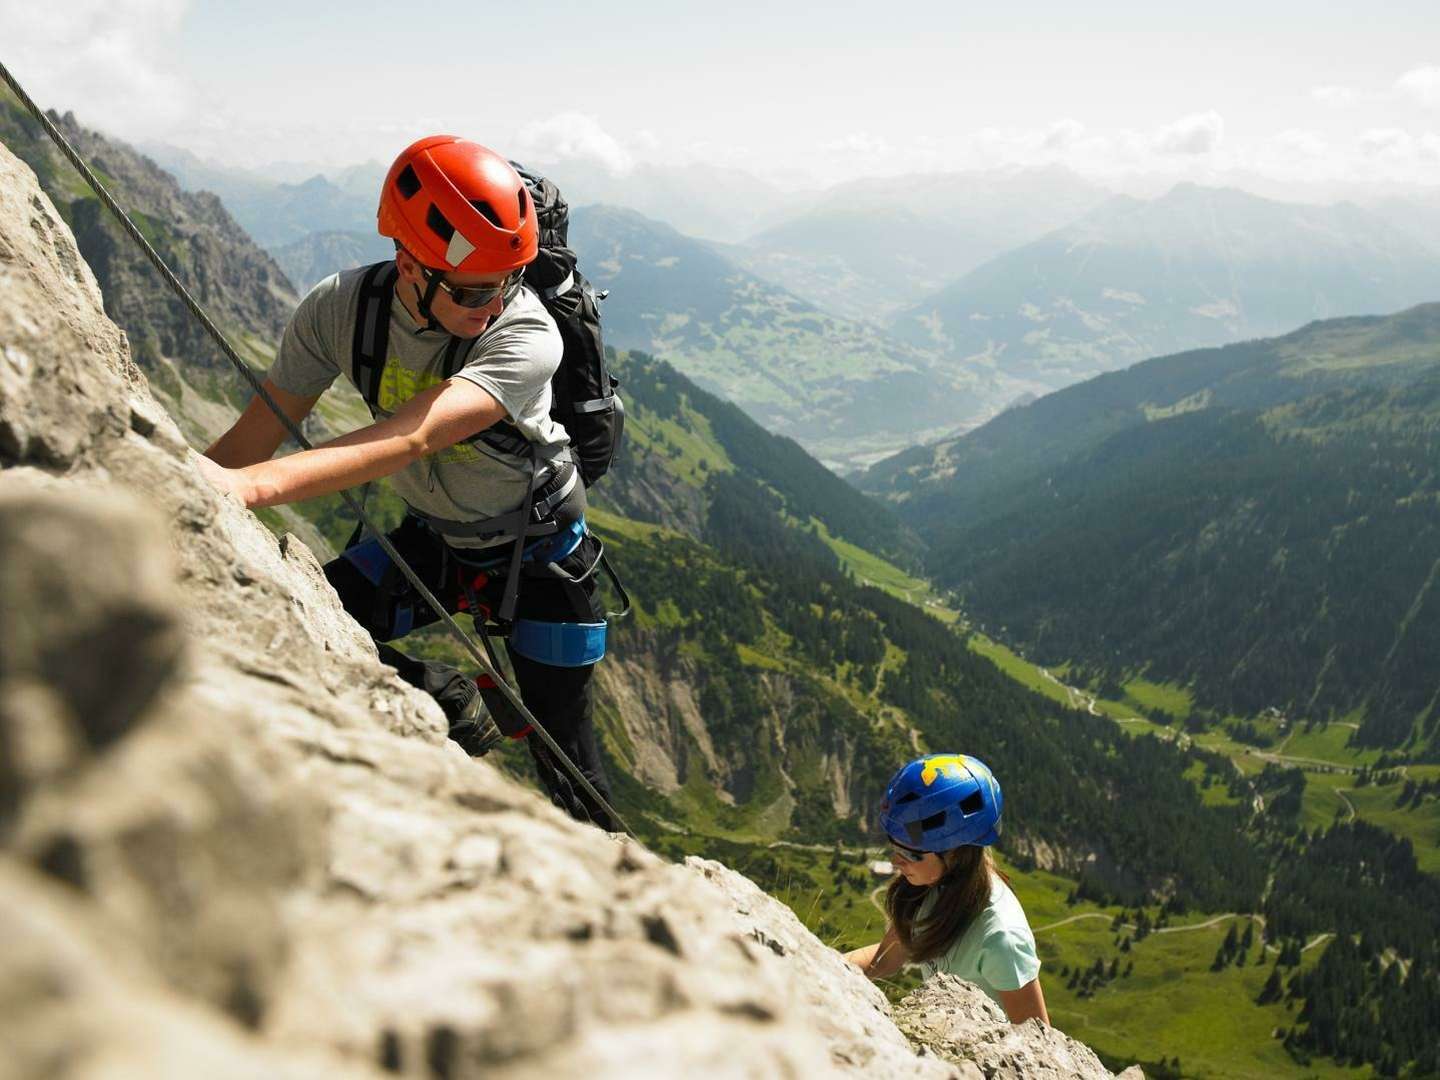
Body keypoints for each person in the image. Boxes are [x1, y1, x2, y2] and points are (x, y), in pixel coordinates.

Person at [197, 135, 618, 830]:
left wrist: (244, 490)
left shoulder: (530, 336)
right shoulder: (340, 310)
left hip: (541, 560)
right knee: (299, 626)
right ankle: (445, 699)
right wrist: (179, 481)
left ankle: (632, 905)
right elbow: (250, 441)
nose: (495, 304)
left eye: (510, 279)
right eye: (475, 289)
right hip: (435, 541)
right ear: (410, 263)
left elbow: (413, 435)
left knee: (569, 769)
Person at [845, 754, 1048, 1025]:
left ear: (954, 853)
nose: (895, 861)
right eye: (893, 845)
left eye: (909, 853)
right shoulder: (928, 888)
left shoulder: (1001, 938)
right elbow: (884, 960)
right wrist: (822, 967)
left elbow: (1038, 1038)